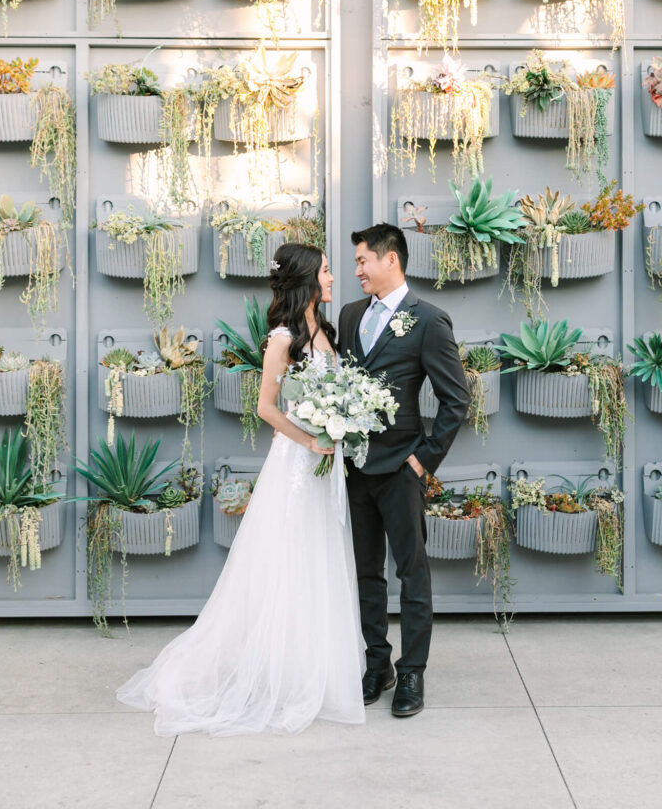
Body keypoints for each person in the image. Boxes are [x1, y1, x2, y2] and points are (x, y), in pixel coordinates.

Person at [116, 244, 365, 736]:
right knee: (287, 562)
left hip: (323, 463)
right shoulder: (283, 338)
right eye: (326, 271)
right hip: (296, 464)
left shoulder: (325, 330)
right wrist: (311, 440)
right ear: (306, 278)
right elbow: (267, 407)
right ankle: (276, 674)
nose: (333, 277)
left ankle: (312, 667)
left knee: (319, 558)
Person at [338, 223, 470, 718]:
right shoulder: (350, 315)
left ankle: (412, 672)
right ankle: (378, 664)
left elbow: (456, 400)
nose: (357, 270)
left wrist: (422, 461)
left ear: (390, 259)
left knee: (412, 573)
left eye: (362, 260)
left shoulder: (428, 320)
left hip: (401, 470)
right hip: (356, 468)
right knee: (366, 572)